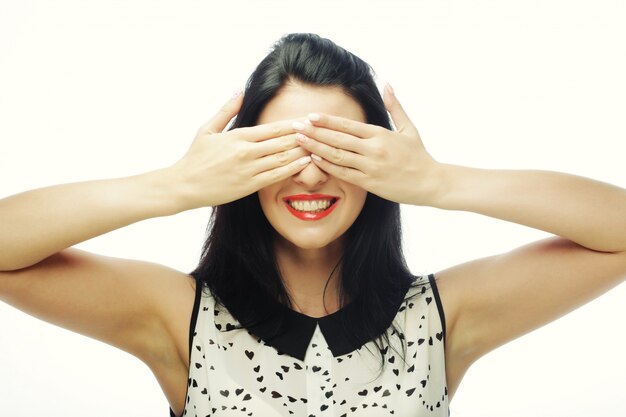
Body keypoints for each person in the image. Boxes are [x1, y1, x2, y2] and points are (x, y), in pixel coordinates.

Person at [0, 32, 624, 417]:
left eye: (338, 150)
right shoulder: (178, 316)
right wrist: (174, 186)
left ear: (378, 164)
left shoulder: (438, 316)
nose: (309, 178)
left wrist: (440, 182)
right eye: (282, 151)